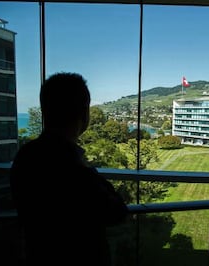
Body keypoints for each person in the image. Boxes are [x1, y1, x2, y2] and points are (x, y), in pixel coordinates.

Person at [10, 72, 128, 266]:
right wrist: (89, 169)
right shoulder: (74, 169)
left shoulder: (25, 156)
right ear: (84, 114)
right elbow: (116, 211)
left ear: (45, 110)